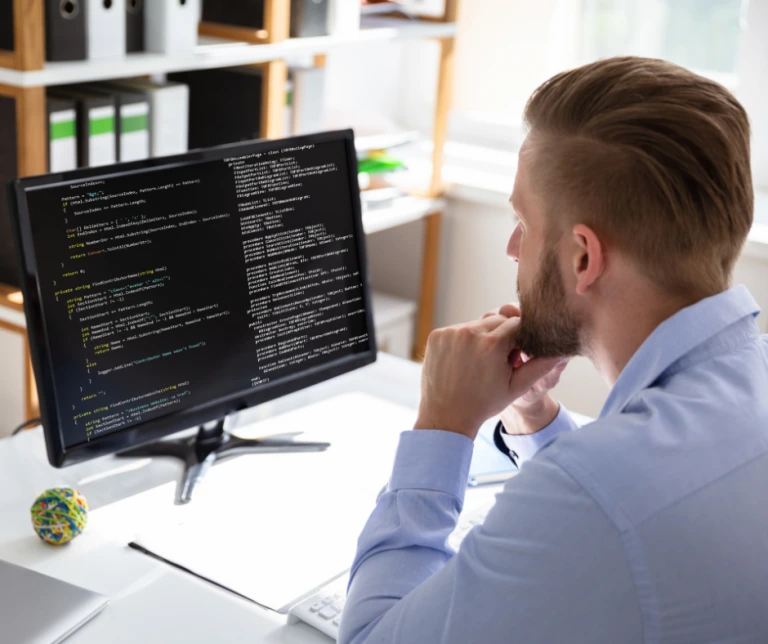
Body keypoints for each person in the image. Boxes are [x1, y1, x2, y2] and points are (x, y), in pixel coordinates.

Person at [339, 56, 768, 643]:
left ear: (583, 258)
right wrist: (535, 419)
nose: (513, 247)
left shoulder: (594, 493)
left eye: (523, 220)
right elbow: (626, 518)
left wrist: (442, 426)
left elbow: (369, 638)